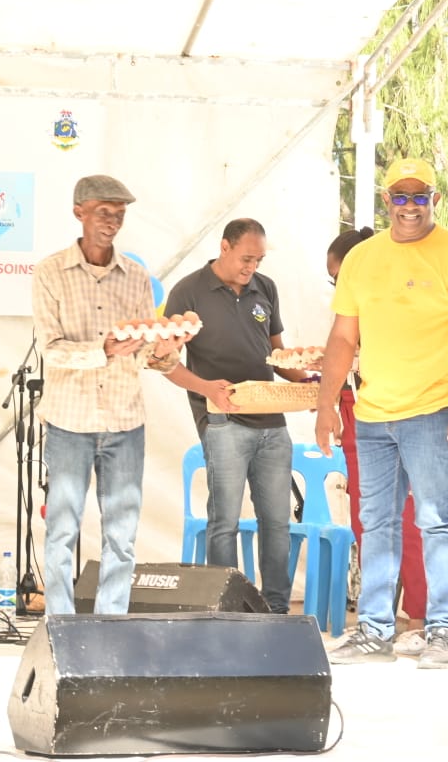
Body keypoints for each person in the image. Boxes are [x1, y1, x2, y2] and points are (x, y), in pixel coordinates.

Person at [315, 157, 448, 669]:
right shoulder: (361, 259)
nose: (410, 206)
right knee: (376, 523)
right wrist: (326, 404)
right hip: (373, 413)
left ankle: (445, 630)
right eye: (401, 196)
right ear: (387, 200)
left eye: (420, 196)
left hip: (436, 410)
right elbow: (342, 337)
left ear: (435, 200)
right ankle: (374, 630)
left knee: (436, 520)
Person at [32, 175, 188, 614]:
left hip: (125, 421)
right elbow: (51, 350)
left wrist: (166, 351)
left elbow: (144, 354)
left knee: (122, 533)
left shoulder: (136, 277)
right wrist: (103, 350)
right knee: (62, 529)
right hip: (69, 421)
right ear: (79, 212)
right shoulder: (50, 272)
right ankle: (60, 622)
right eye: (104, 213)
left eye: (119, 215)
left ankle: (111, 622)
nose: (112, 222)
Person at [161, 219, 307, 614]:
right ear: (224, 247)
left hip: (272, 422)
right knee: (223, 521)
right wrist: (207, 388)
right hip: (222, 423)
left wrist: (310, 382)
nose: (252, 267)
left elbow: (277, 356)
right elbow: (165, 362)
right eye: (246, 259)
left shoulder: (266, 288)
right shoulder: (188, 291)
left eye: (258, 260)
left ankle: (275, 609)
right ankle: (227, 609)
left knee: (277, 521)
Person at [326, 227, 428, 650]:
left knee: (409, 520)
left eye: (339, 278)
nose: (337, 287)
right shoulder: (352, 310)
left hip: (405, 414)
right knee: (366, 520)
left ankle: (421, 620)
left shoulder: (403, 298)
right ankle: (376, 622)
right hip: (361, 411)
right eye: (332, 281)